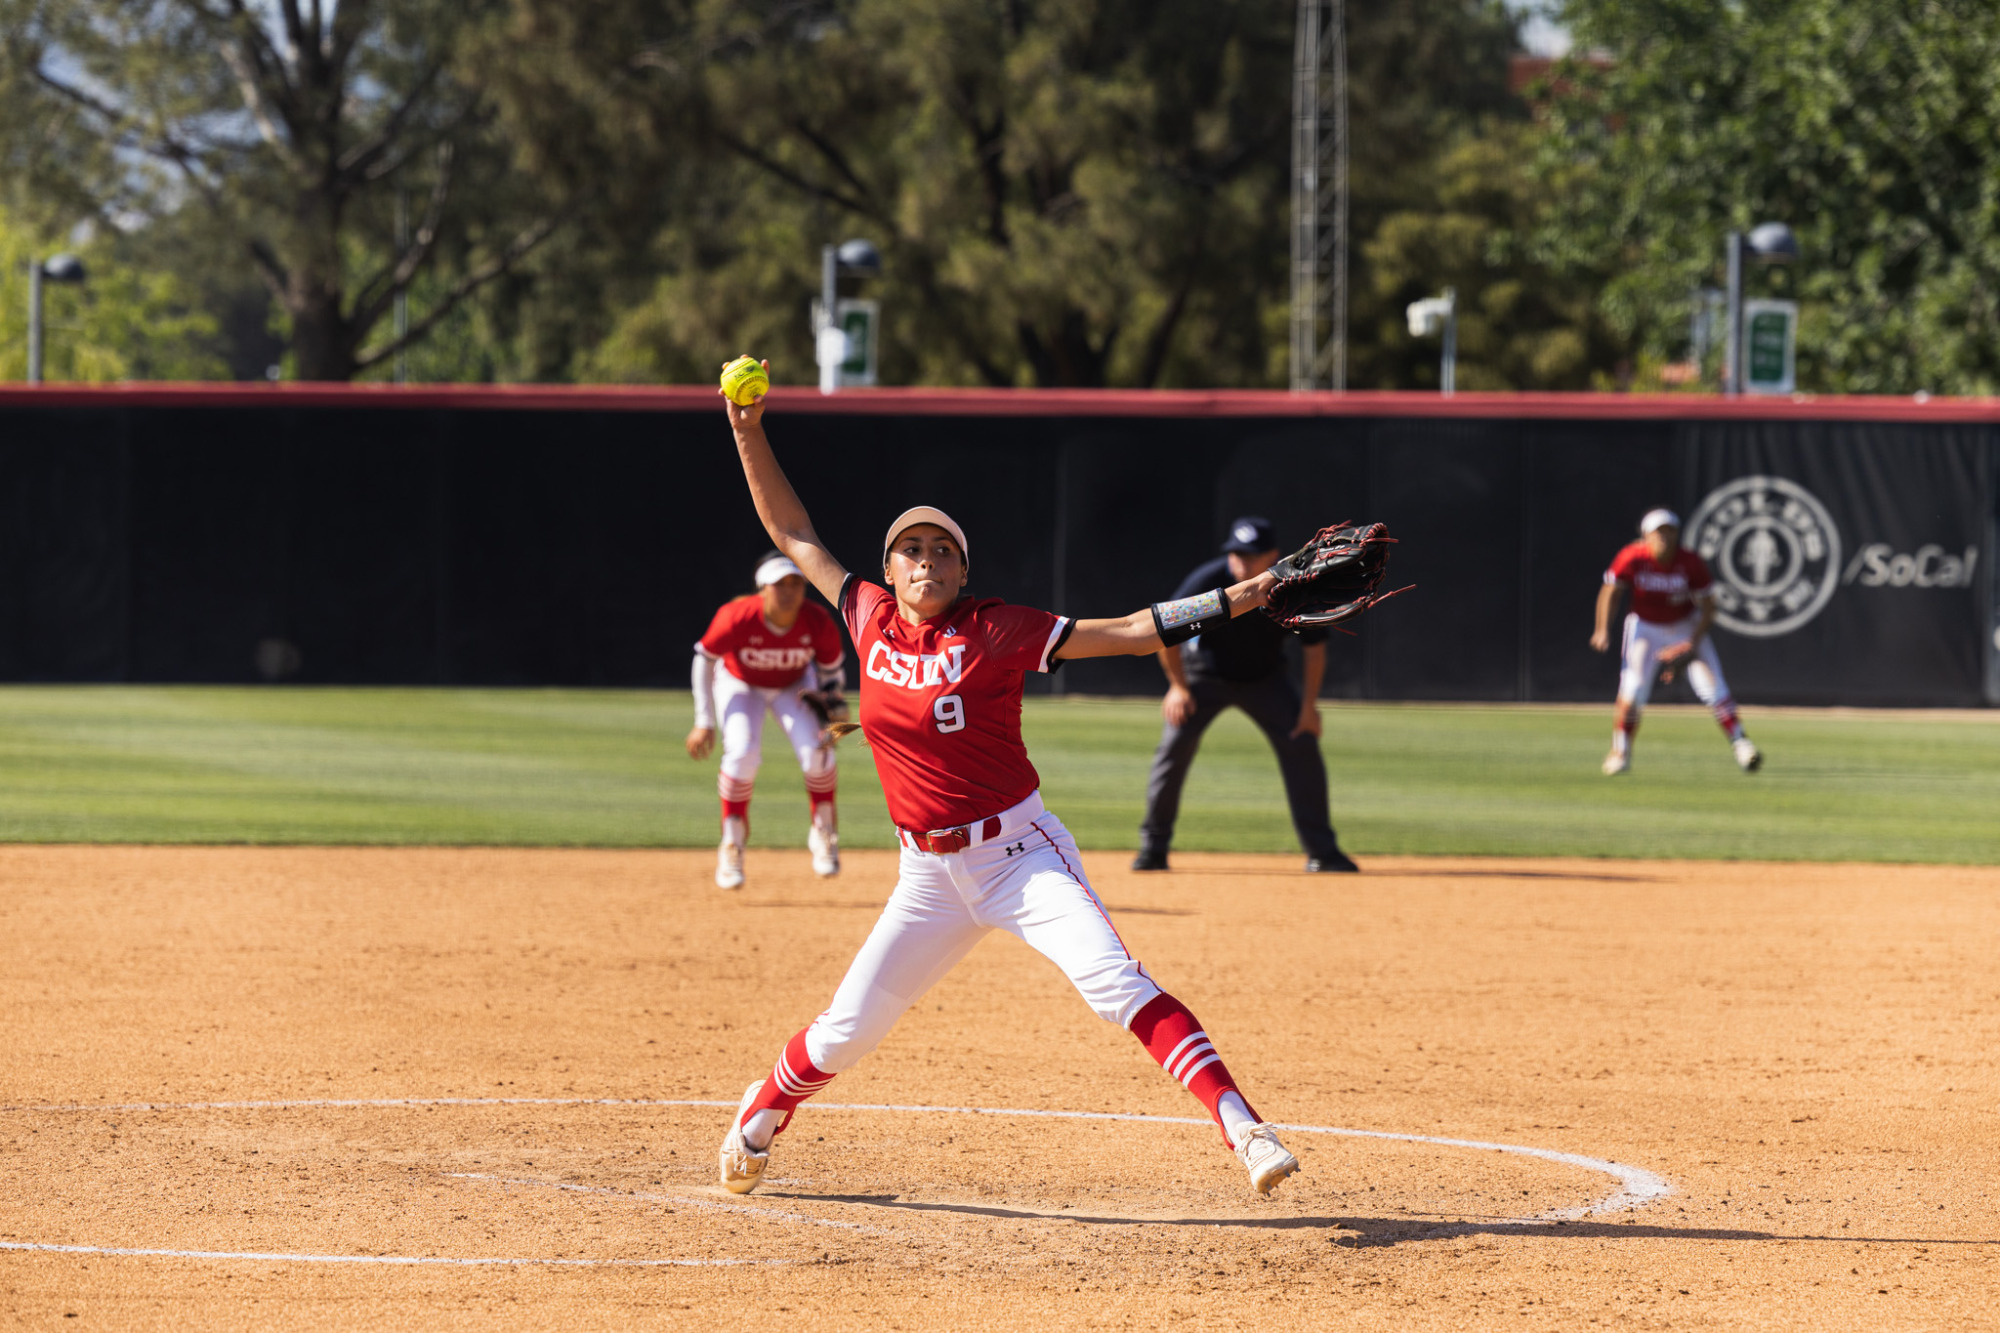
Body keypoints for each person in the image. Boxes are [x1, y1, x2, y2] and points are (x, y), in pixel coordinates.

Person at [712, 369, 1302, 1200]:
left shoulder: (995, 628)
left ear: (962, 570)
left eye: (942, 549)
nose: (926, 560)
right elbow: (792, 526)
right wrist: (746, 432)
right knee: (846, 1031)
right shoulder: (864, 613)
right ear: (890, 566)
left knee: (1114, 984)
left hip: (1021, 854)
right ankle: (763, 1111)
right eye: (911, 548)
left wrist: (1249, 593)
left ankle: (1246, 1130)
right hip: (928, 876)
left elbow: (1133, 631)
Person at [1133, 517, 1357, 874]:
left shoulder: (1292, 587)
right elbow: (1166, 630)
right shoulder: (1208, 583)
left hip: (1266, 680)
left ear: (1273, 555)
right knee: (1173, 748)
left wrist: (1308, 708)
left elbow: (1315, 650)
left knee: (1303, 742)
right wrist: (1178, 687)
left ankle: (1323, 852)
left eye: (1252, 555)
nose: (1242, 562)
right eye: (1236, 554)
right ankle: (1153, 849)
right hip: (1204, 677)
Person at [687, 551, 848, 888]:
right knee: (743, 753)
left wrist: (834, 704)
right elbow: (704, 659)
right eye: (779, 584)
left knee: (817, 752)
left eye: (795, 583)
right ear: (762, 589)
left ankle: (823, 831)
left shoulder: (816, 620)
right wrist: (704, 720)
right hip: (740, 682)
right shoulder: (738, 616)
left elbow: (832, 671)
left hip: (794, 684)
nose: (789, 591)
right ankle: (732, 844)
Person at [1591, 507, 1762, 776]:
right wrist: (1602, 629)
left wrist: (1692, 643)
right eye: (1659, 532)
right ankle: (1620, 751)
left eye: (1670, 531)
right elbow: (1610, 590)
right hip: (1645, 626)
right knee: (1633, 688)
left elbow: (1709, 607)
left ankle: (1742, 745)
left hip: (1684, 625)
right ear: (1645, 535)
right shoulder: (1632, 557)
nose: (1664, 537)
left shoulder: (1689, 561)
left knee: (1713, 687)